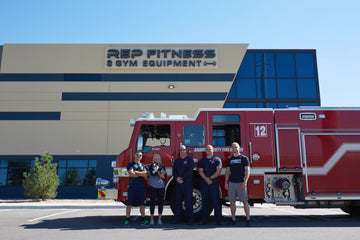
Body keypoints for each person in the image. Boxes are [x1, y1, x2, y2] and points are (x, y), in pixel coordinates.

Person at [224, 142, 251, 226]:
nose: (234, 148)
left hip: (241, 183)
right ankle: (233, 219)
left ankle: (248, 219)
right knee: (232, 202)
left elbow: (247, 171)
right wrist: (226, 182)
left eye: (236, 147)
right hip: (232, 183)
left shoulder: (244, 158)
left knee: (245, 201)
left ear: (239, 148)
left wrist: (245, 181)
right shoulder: (230, 159)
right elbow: (227, 172)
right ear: (231, 149)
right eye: (233, 147)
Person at [198, 145, 222, 225]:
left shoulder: (217, 159)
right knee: (204, 202)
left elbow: (219, 170)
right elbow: (200, 171)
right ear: (205, 151)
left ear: (213, 150)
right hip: (205, 183)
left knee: (216, 202)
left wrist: (210, 178)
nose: (208, 150)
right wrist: (206, 179)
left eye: (210, 149)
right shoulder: (202, 161)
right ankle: (203, 220)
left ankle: (218, 220)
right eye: (207, 149)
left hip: (214, 183)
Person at [124, 150, 149, 227]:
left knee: (142, 204)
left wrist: (136, 172)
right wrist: (141, 173)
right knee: (129, 204)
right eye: (137, 154)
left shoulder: (144, 166)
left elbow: (146, 175)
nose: (138, 156)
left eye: (140, 155)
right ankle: (127, 220)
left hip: (141, 187)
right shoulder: (130, 164)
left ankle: (143, 219)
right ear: (135, 155)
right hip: (132, 187)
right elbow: (131, 174)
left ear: (141, 157)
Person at [172, 145, 195, 224]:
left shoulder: (190, 160)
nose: (182, 151)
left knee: (188, 201)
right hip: (178, 183)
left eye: (183, 149)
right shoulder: (177, 161)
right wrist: (177, 178)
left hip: (187, 183)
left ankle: (190, 219)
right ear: (179, 151)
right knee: (178, 201)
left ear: (186, 151)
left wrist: (182, 178)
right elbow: (174, 171)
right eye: (181, 150)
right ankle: (177, 219)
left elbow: (190, 171)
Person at [147, 154, 167, 226]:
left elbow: (164, 178)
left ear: (160, 160)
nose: (157, 160)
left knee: (160, 203)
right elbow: (152, 174)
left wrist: (161, 174)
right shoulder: (151, 166)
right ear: (153, 160)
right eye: (155, 159)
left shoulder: (163, 167)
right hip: (152, 187)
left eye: (158, 158)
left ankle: (159, 219)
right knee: (152, 202)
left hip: (161, 187)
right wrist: (159, 173)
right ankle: (152, 219)